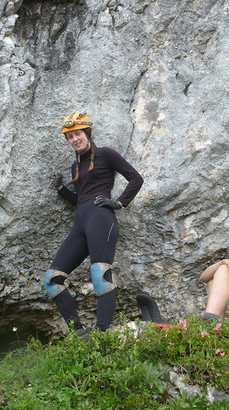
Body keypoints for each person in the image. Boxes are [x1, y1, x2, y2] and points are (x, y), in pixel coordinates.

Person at [43, 112, 144, 337]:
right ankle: (79, 333)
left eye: (77, 134)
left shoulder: (106, 154)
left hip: (101, 219)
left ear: (88, 133)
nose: (74, 139)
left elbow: (136, 178)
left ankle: (101, 334)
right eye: (70, 137)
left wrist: (119, 202)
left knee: (100, 275)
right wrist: (61, 189)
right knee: (51, 280)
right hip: (81, 222)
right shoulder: (76, 166)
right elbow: (81, 200)